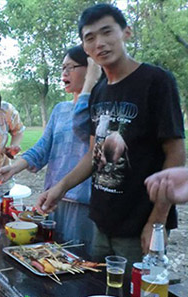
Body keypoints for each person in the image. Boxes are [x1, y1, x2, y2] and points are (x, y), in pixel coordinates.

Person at [36, 4, 185, 268]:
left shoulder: (156, 81)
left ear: (126, 32)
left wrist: (156, 222)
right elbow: (94, 156)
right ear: (85, 47)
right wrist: (60, 187)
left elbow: (175, 153)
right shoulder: (99, 91)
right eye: (90, 37)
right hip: (102, 221)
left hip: (139, 222)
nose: (100, 43)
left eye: (107, 32)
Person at [0, 46, 101, 251]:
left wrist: (89, 87)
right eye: (62, 68)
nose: (64, 73)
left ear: (91, 69)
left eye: (71, 67)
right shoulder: (60, 110)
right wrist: (14, 168)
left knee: (81, 261)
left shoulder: (99, 109)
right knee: (54, 257)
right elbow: (42, 148)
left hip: (85, 205)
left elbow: (84, 129)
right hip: (54, 200)